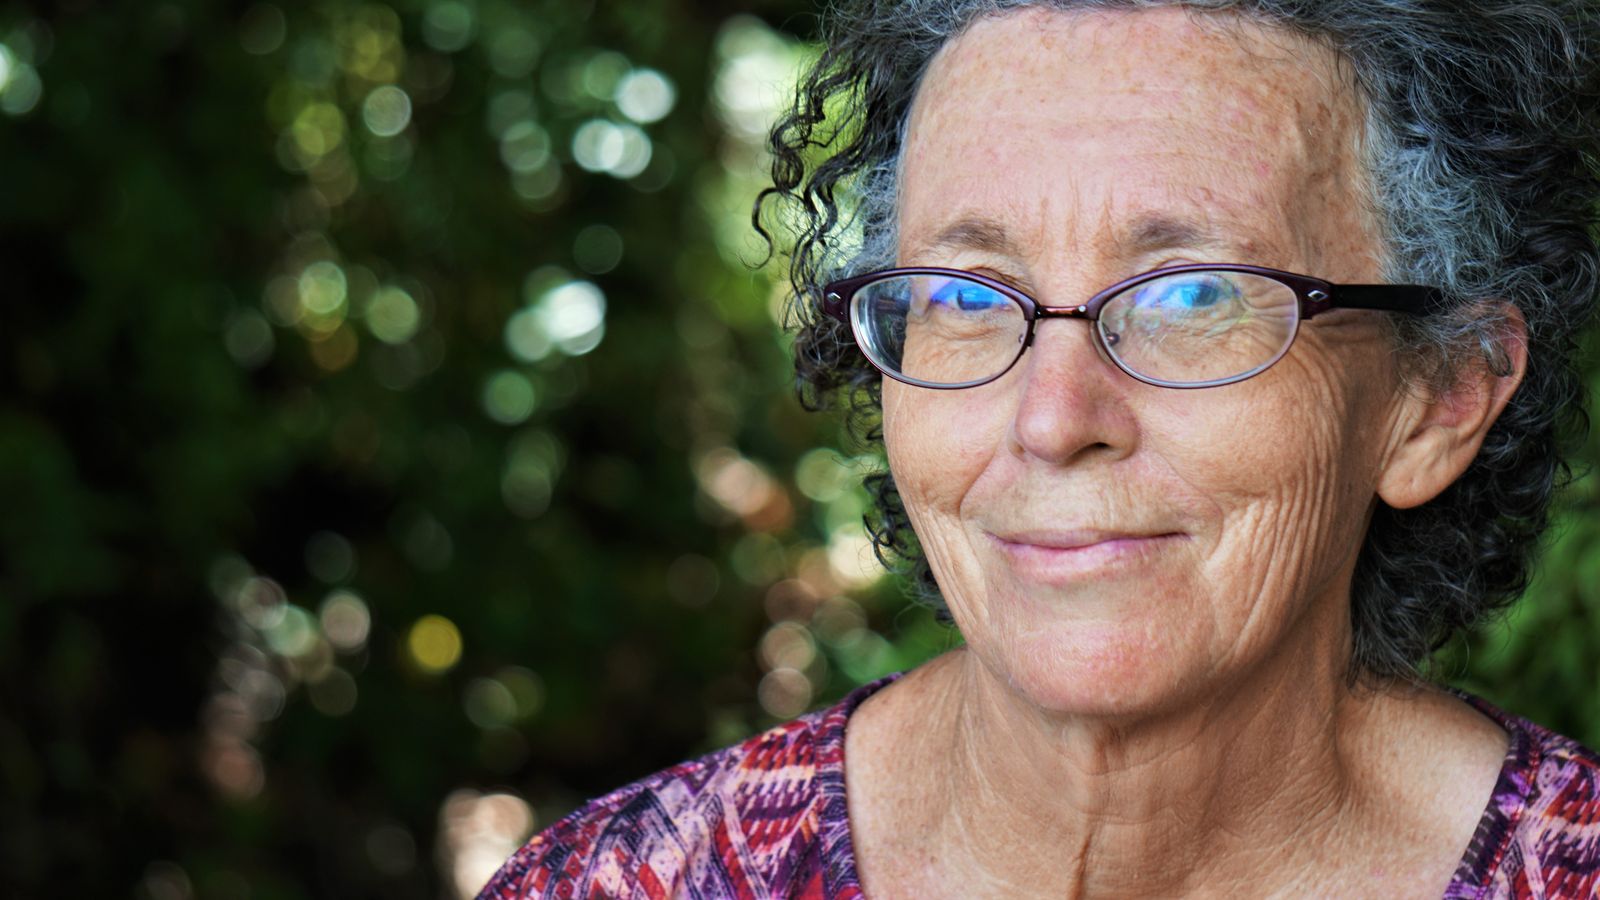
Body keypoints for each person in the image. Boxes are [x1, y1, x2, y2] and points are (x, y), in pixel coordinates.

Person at [479, 1, 1600, 897]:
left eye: (1191, 293)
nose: (1054, 420)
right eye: (967, 296)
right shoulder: (629, 882)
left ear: (1434, 397)